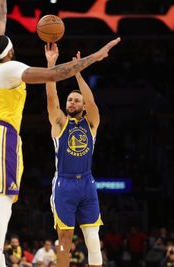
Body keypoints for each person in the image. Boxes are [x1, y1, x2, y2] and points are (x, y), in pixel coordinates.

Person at [0, 0, 121, 265]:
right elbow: (55, 75)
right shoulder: (7, 68)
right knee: (1, 204)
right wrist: (95, 57)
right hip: (1, 136)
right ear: (10, 53)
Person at [44, 43, 103, 267]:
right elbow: (52, 99)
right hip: (64, 184)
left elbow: (92, 102)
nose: (72, 102)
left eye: (76, 100)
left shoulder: (92, 122)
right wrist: (51, 65)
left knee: (93, 238)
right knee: (64, 240)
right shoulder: (60, 123)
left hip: (87, 182)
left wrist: (77, 72)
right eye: (70, 99)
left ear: (83, 106)